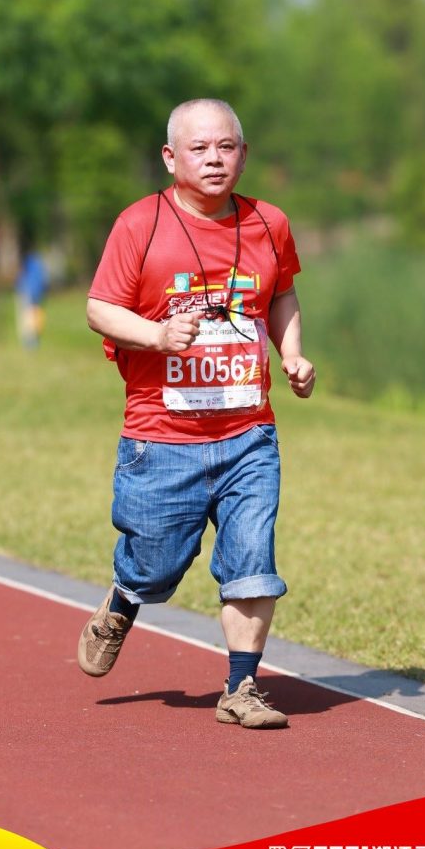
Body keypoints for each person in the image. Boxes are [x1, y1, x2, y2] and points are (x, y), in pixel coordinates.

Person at [78, 98, 315, 728]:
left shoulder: (269, 223)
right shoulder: (141, 224)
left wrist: (291, 354)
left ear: (244, 153)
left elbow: (282, 292)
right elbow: (101, 308)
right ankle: (126, 598)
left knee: (253, 563)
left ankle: (241, 689)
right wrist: (157, 337)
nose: (214, 159)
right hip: (162, 434)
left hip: (248, 434)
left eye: (226, 147)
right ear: (171, 157)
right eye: (199, 148)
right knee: (155, 564)